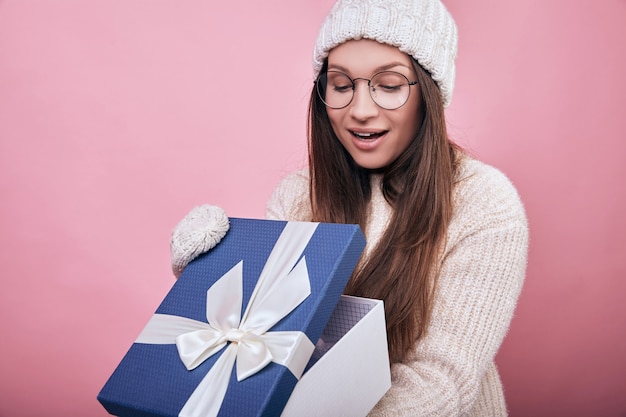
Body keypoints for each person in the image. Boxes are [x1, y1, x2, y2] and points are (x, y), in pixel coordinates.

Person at [170, 0, 529, 415]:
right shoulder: (297, 195)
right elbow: (267, 339)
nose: (360, 110)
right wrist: (206, 280)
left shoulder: (483, 200)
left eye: (389, 85)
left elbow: (443, 379)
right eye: (341, 86)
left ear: (428, 94)